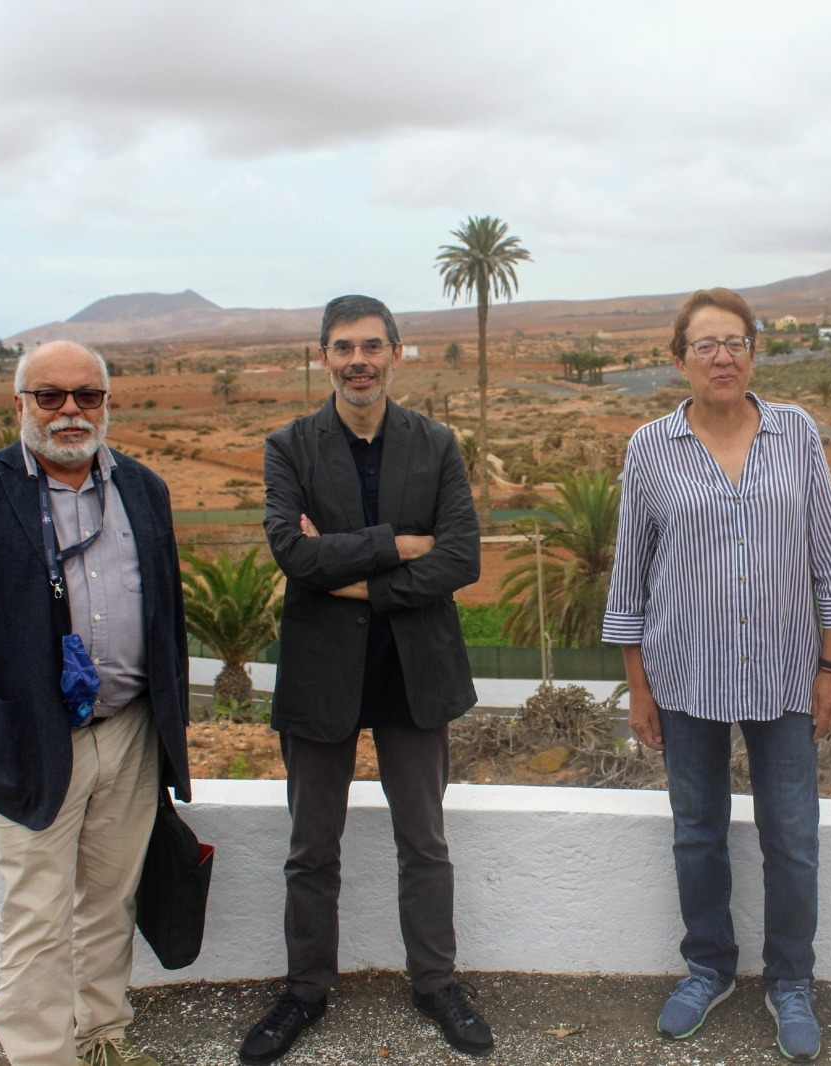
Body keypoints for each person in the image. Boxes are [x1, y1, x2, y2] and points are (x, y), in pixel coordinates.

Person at [0, 341, 192, 1066]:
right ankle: (39, 1055)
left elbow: (166, 616)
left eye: (86, 396)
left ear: (106, 403)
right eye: (50, 395)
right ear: (20, 404)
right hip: (25, 739)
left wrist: (170, 727)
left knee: (110, 900)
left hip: (128, 732)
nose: (70, 410)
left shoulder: (143, 489)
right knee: (37, 914)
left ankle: (102, 1037)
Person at [603, 288, 831, 1061]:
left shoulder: (795, 433)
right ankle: (707, 968)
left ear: (754, 351)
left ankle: (791, 982)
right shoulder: (650, 448)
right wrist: (639, 686)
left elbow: (828, 556)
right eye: (706, 344)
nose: (723, 356)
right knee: (697, 835)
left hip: (786, 671)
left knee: (792, 836)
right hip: (684, 673)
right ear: (678, 358)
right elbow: (631, 576)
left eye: (736, 342)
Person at [239, 295, 489, 1064]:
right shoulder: (290, 447)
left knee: (426, 842)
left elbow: (462, 558)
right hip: (322, 677)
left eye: (372, 346)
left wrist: (356, 573)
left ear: (396, 354)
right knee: (312, 846)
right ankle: (304, 992)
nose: (359, 360)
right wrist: (397, 545)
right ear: (324, 357)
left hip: (415, 674)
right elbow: (293, 554)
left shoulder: (436, 443)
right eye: (344, 347)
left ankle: (436, 982)